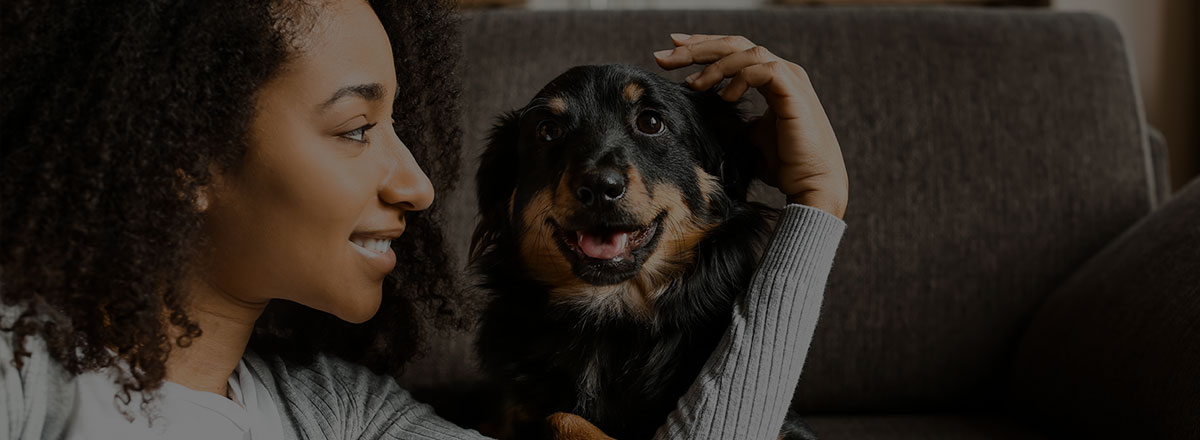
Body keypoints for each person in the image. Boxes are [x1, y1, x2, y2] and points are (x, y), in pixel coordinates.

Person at [0, 0, 847, 439]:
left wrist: (816, 212)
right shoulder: (20, 368)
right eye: (357, 128)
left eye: (401, 129)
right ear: (185, 157)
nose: (418, 184)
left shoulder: (344, 417)